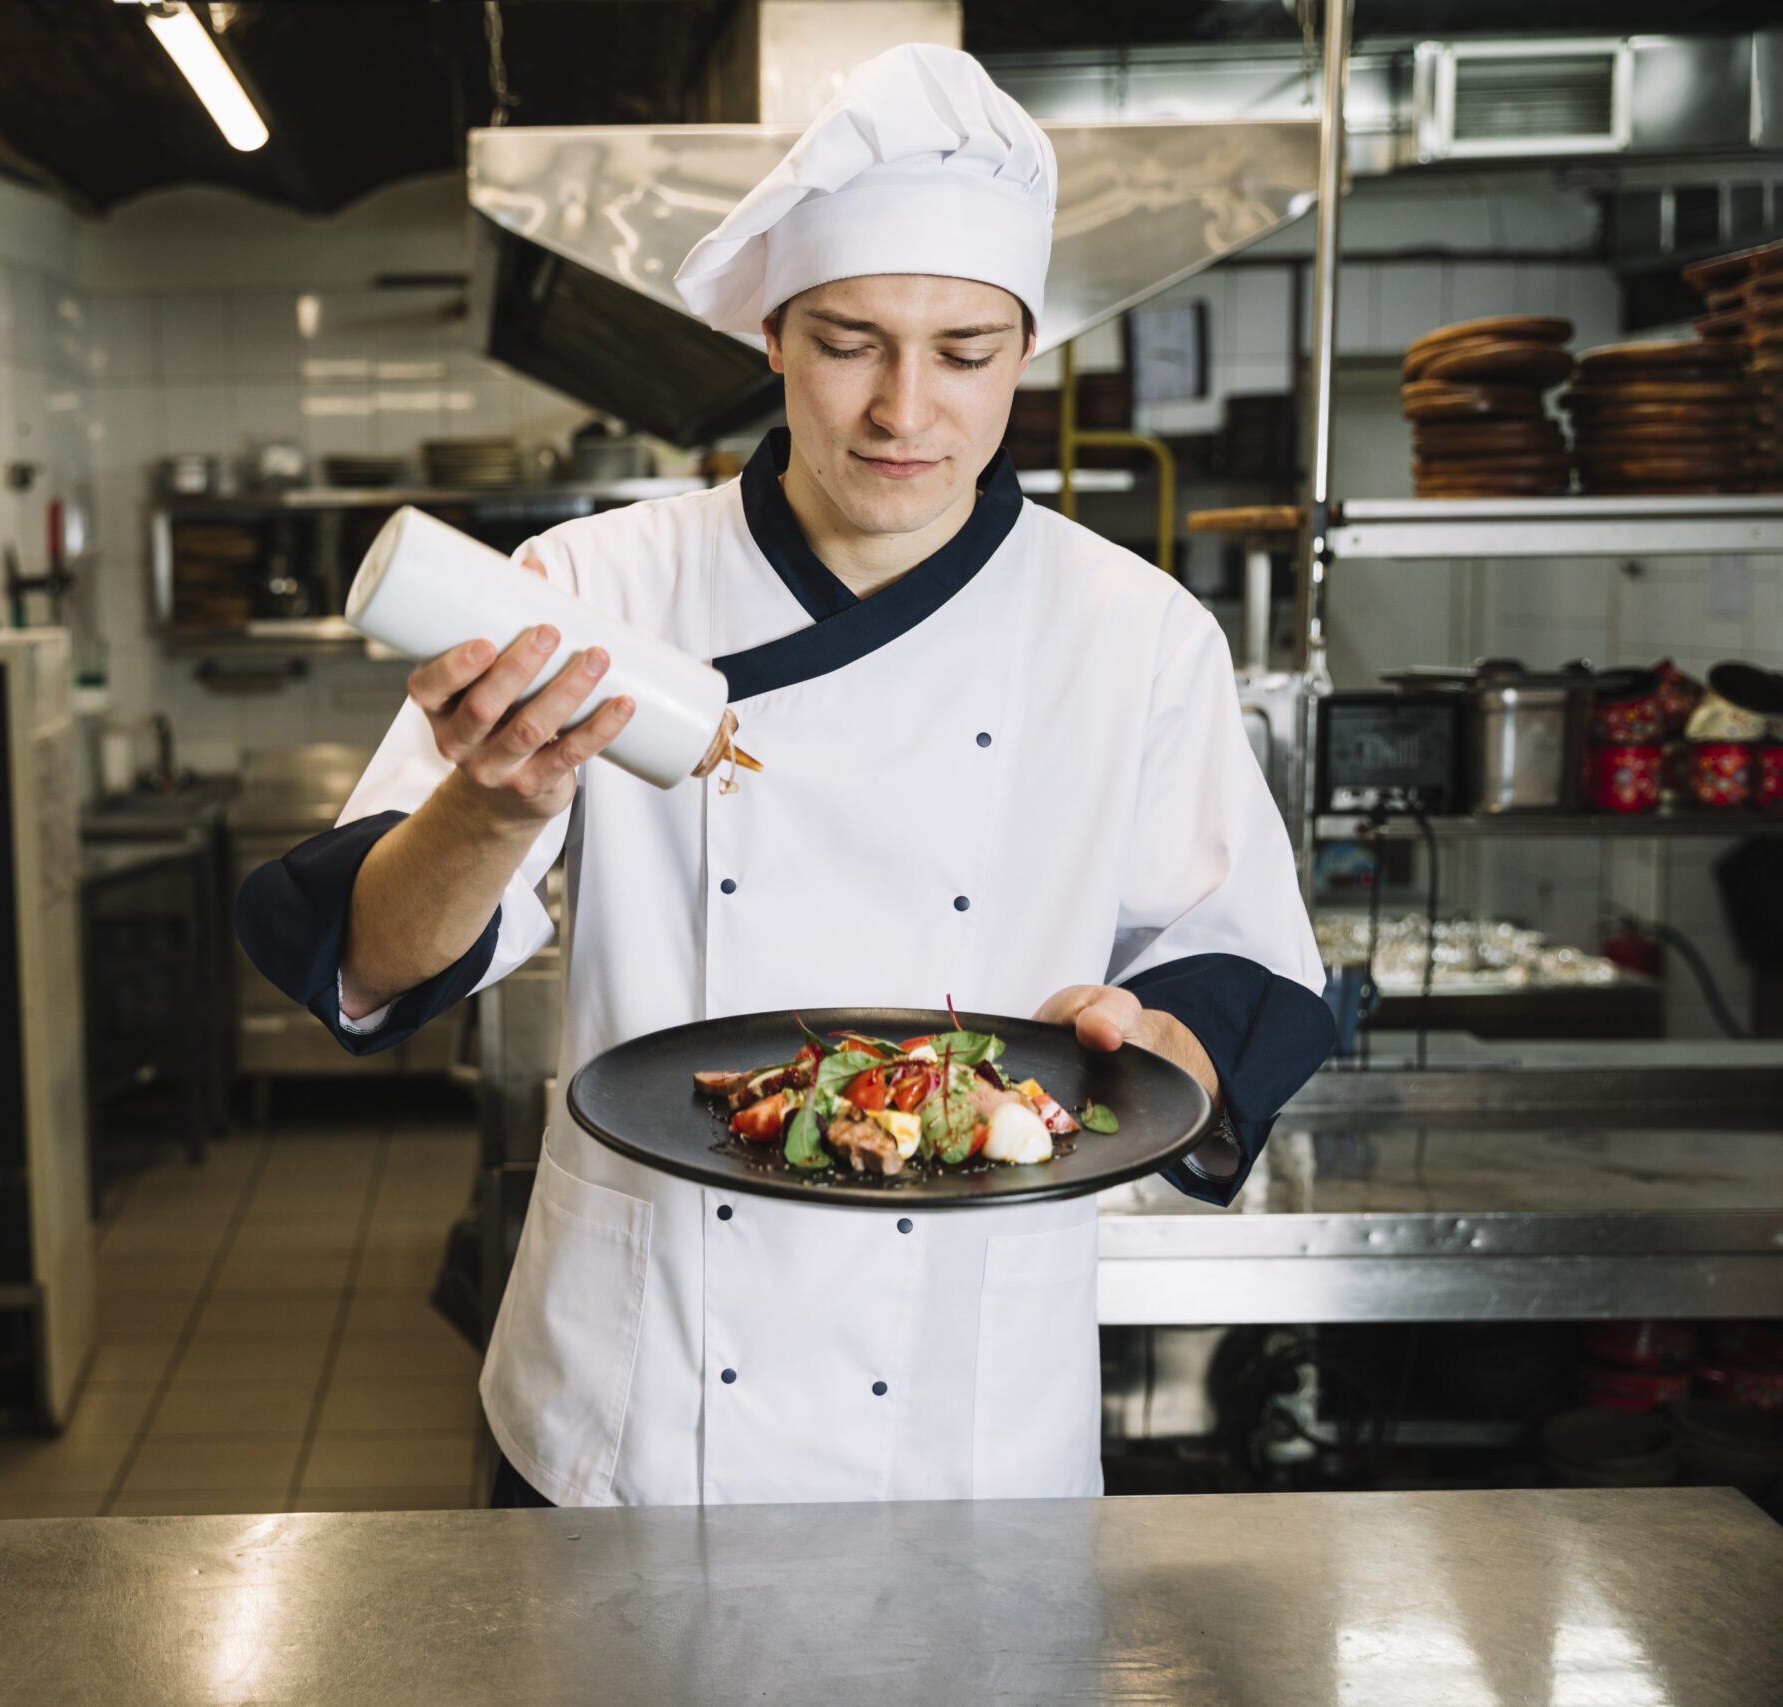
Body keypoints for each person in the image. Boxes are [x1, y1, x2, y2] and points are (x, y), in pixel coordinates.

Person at [239, 43, 1334, 1508]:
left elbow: (1238, 973)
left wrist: (1149, 1052)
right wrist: (493, 810)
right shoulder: (587, 585)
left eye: (965, 353)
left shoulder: (1134, 631)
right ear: (770, 333)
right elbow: (366, 960)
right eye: (847, 341)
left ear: (1028, 347)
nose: (903, 412)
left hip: (969, 1409)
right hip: (637, 1402)